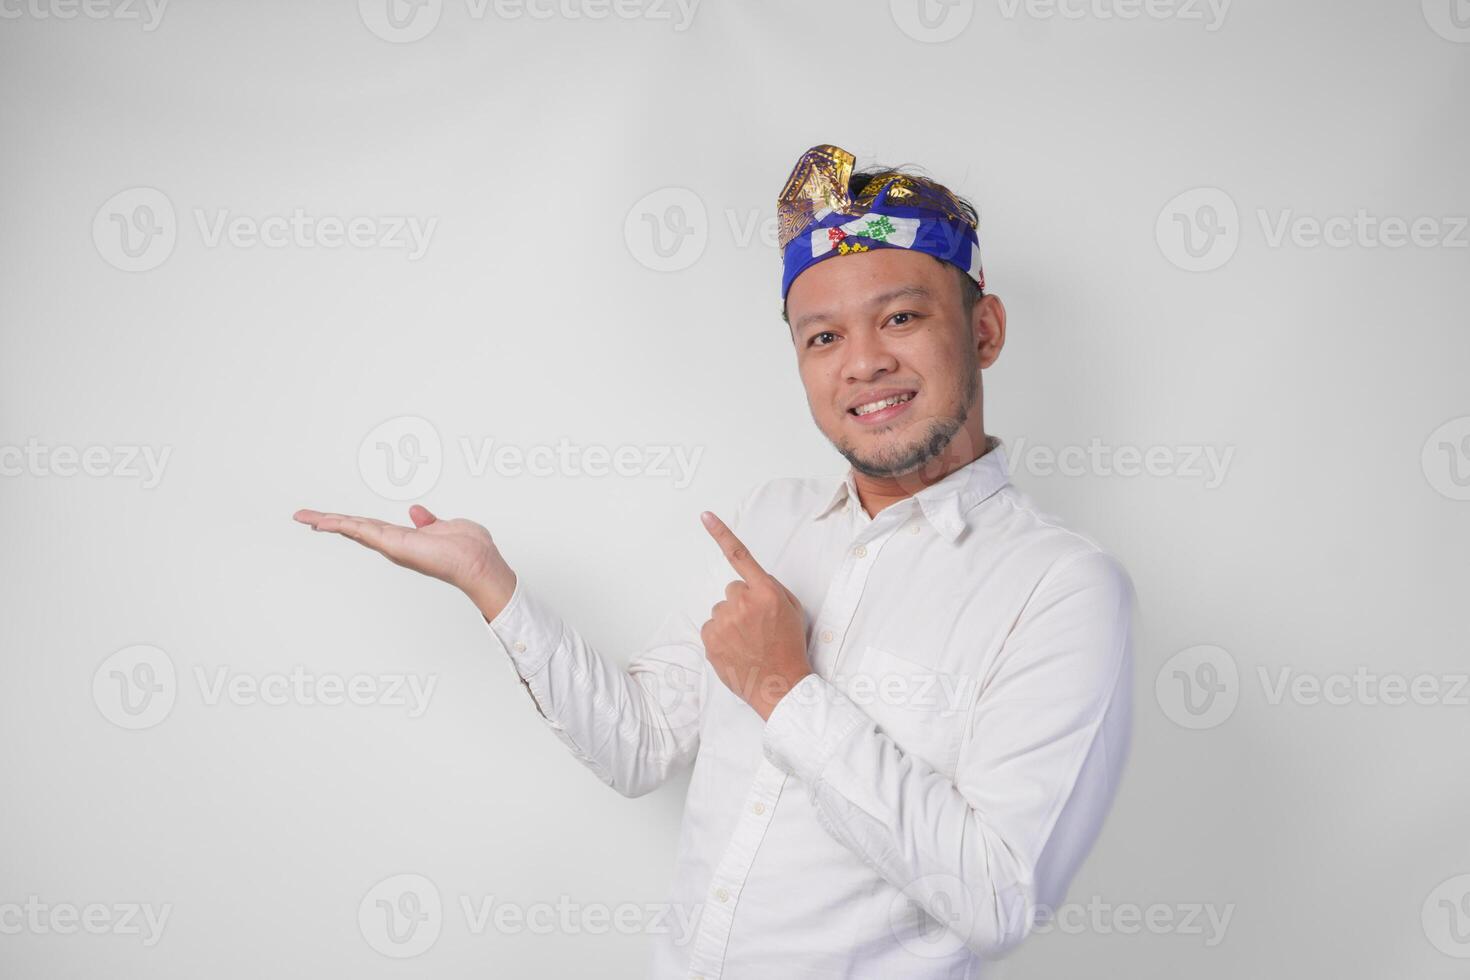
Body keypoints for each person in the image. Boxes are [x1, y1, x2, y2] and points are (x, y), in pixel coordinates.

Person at [295, 143, 1134, 978]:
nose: (864, 361)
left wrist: (783, 689)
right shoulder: (768, 520)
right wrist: (491, 584)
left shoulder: (1061, 590)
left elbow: (999, 896)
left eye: (902, 318)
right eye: (823, 336)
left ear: (983, 330)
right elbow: (641, 745)